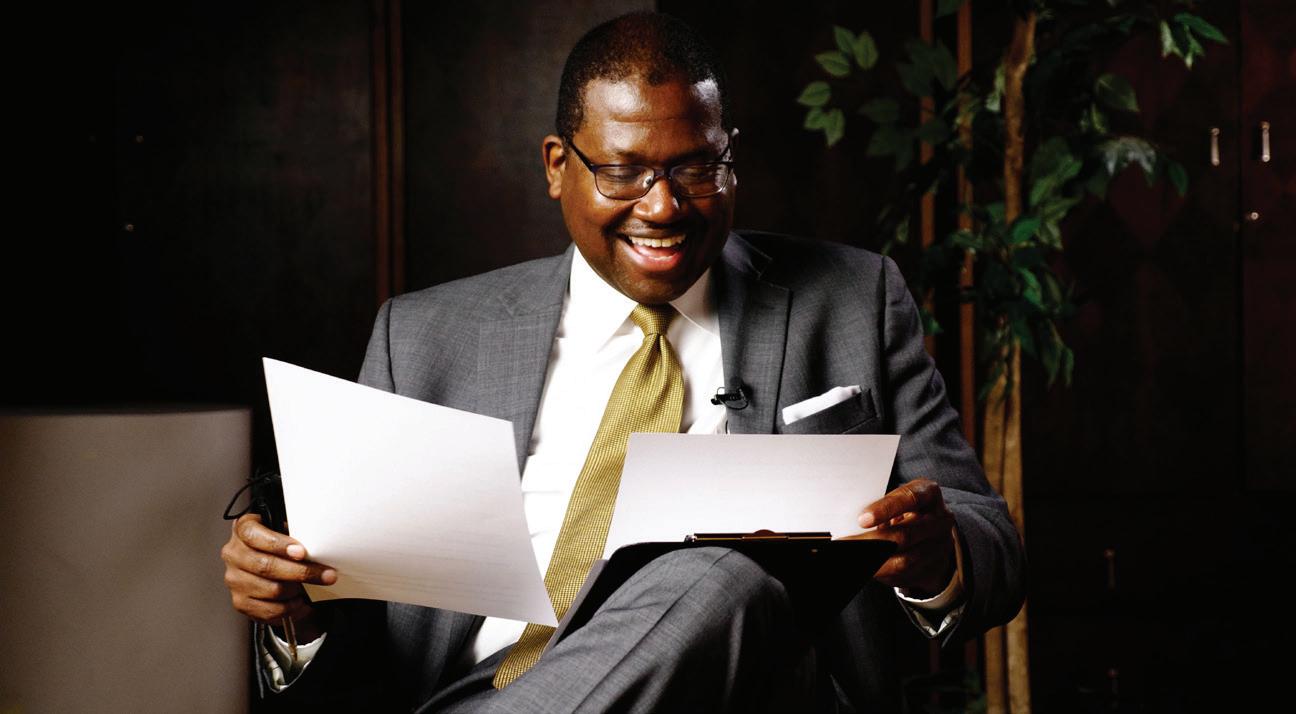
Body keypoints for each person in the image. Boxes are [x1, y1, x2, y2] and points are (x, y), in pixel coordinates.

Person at [220, 12, 1024, 713]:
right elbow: (359, 627)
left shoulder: (851, 299)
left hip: (760, 692)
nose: (663, 206)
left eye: (696, 167)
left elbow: (991, 543)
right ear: (556, 166)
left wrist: (935, 554)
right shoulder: (425, 336)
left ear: (730, 157)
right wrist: (295, 610)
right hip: (474, 694)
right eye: (623, 172)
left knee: (730, 572)